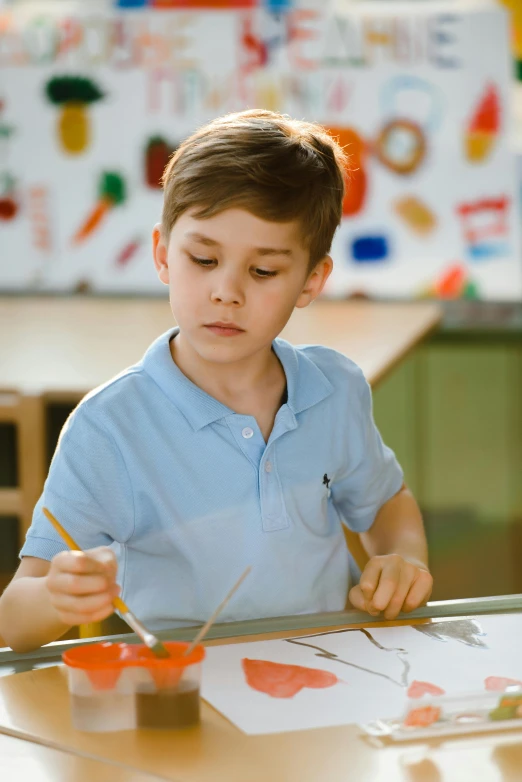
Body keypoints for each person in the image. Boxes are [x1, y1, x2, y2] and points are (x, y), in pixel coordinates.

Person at [0, 110, 432, 653]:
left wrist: (404, 557)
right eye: (203, 259)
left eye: (263, 271)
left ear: (311, 280)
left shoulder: (336, 389)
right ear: (162, 255)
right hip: (188, 699)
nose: (226, 291)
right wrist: (56, 599)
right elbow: (14, 621)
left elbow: (386, 503)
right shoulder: (109, 428)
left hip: (337, 675)